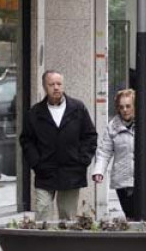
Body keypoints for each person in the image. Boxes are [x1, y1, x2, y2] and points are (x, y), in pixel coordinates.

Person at [20, 70, 98, 221]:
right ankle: (43, 244)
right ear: (44, 86)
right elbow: (26, 140)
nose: (56, 87)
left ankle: (65, 244)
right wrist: (36, 162)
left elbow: (90, 136)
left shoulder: (77, 108)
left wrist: (83, 160)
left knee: (67, 215)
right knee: (42, 211)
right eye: (51, 84)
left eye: (59, 84)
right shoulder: (35, 113)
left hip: (72, 170)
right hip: (45, 171)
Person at [92, 89, 146, 221]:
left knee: (145, 218)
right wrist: (99, 171)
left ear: (135, 106)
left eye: (128, 106)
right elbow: (104, 151)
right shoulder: (113, 126)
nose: (124, 110)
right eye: (121, 107)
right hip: (123, 181)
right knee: (130, 218)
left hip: (145, 179)